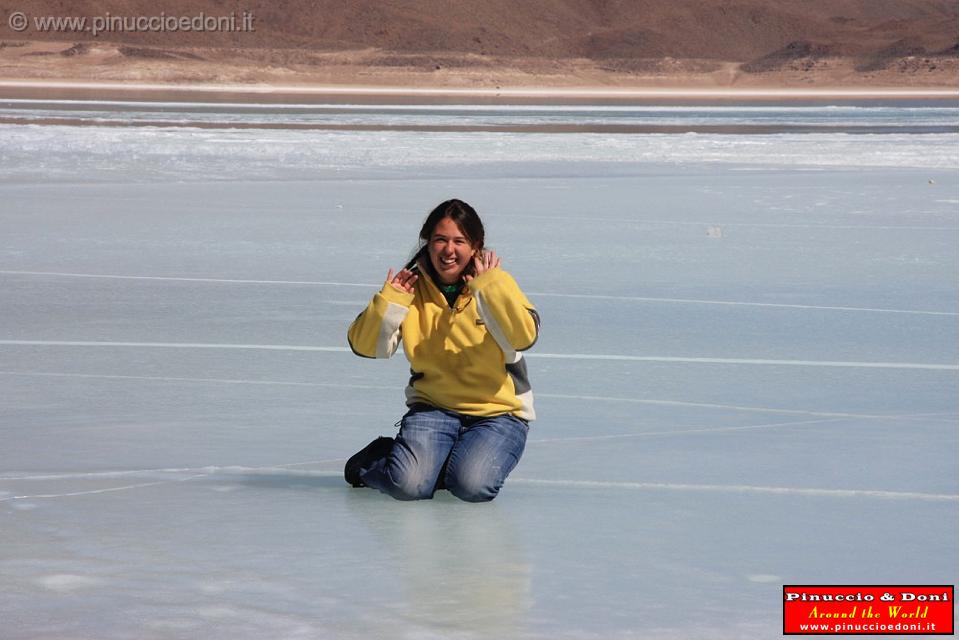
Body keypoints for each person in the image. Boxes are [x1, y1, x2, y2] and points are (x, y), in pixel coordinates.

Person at [345, 198, 540, 502]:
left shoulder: (495, 283)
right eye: (440, 240)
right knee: (408, 486)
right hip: (433, 408)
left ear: (476, 246)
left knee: (471, 487)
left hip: (498, 413)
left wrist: (488, 288)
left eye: (459, 241)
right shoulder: (411, 287)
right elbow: (365, 347)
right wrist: (390, 302)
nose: (449, 250)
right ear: (428, 242)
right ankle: (379, 459)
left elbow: (523, 336)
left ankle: (436, 466)